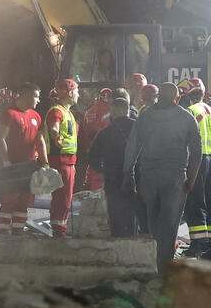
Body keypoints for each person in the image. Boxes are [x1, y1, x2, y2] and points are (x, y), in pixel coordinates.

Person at [123, 82, 201, 271]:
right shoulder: (186, 117)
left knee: (153, 221)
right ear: (177, 98)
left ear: (159, 97)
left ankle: (155, 263)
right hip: (175, 179)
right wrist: (191, 180)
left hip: (148, 178)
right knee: (171, 224)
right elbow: (197, 152)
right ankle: (165, 266)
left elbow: (132, 147)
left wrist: (129, 174)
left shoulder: (145, 116)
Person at [0, 83, 48, 235]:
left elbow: (40, 140)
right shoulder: (9, 114)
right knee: (8, 201)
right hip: (13, 166)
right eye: (36, 96)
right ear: (26, 96)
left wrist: (45, 162)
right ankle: (2, 235)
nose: (39, 100)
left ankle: (18, 234)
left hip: (29, 166)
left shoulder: (36, 116)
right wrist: (6, 163)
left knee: (24, 202)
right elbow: (0, 138)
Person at [88, 97, 144, 236]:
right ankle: (132, 241)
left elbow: (93, 158)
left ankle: (117, 242)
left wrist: (104, 171)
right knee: (133, 216)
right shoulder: (139, 129)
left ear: (112, 111)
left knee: (115, 217)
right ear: (128, 110)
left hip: (113, 180)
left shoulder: (105, 133)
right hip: (136, 180)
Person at [184, 77, 211, 250]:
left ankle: (198, 244)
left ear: (188, 95)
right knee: (209, 199)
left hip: (196, 160)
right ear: (204, 93)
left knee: (195, 200)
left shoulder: (190, 111)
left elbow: (187, 141)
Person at [44, 79, 80, 237]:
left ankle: (60, 230)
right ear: (70, 93)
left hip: (68, 161)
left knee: (65, 198)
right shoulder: (57, 111)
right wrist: (57, 139)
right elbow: (54, 129)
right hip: (61, 160)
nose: (78, 95)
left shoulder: (68, 113)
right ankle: (59, 233)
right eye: (76, 91)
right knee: (62, 199)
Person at [81, 87, 113, 191]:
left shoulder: (89, 111)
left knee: (91, 176)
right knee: (99, 179)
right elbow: (108, 132)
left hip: (90, 148)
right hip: (103, 150)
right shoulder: (107, 112)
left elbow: (85, 130)